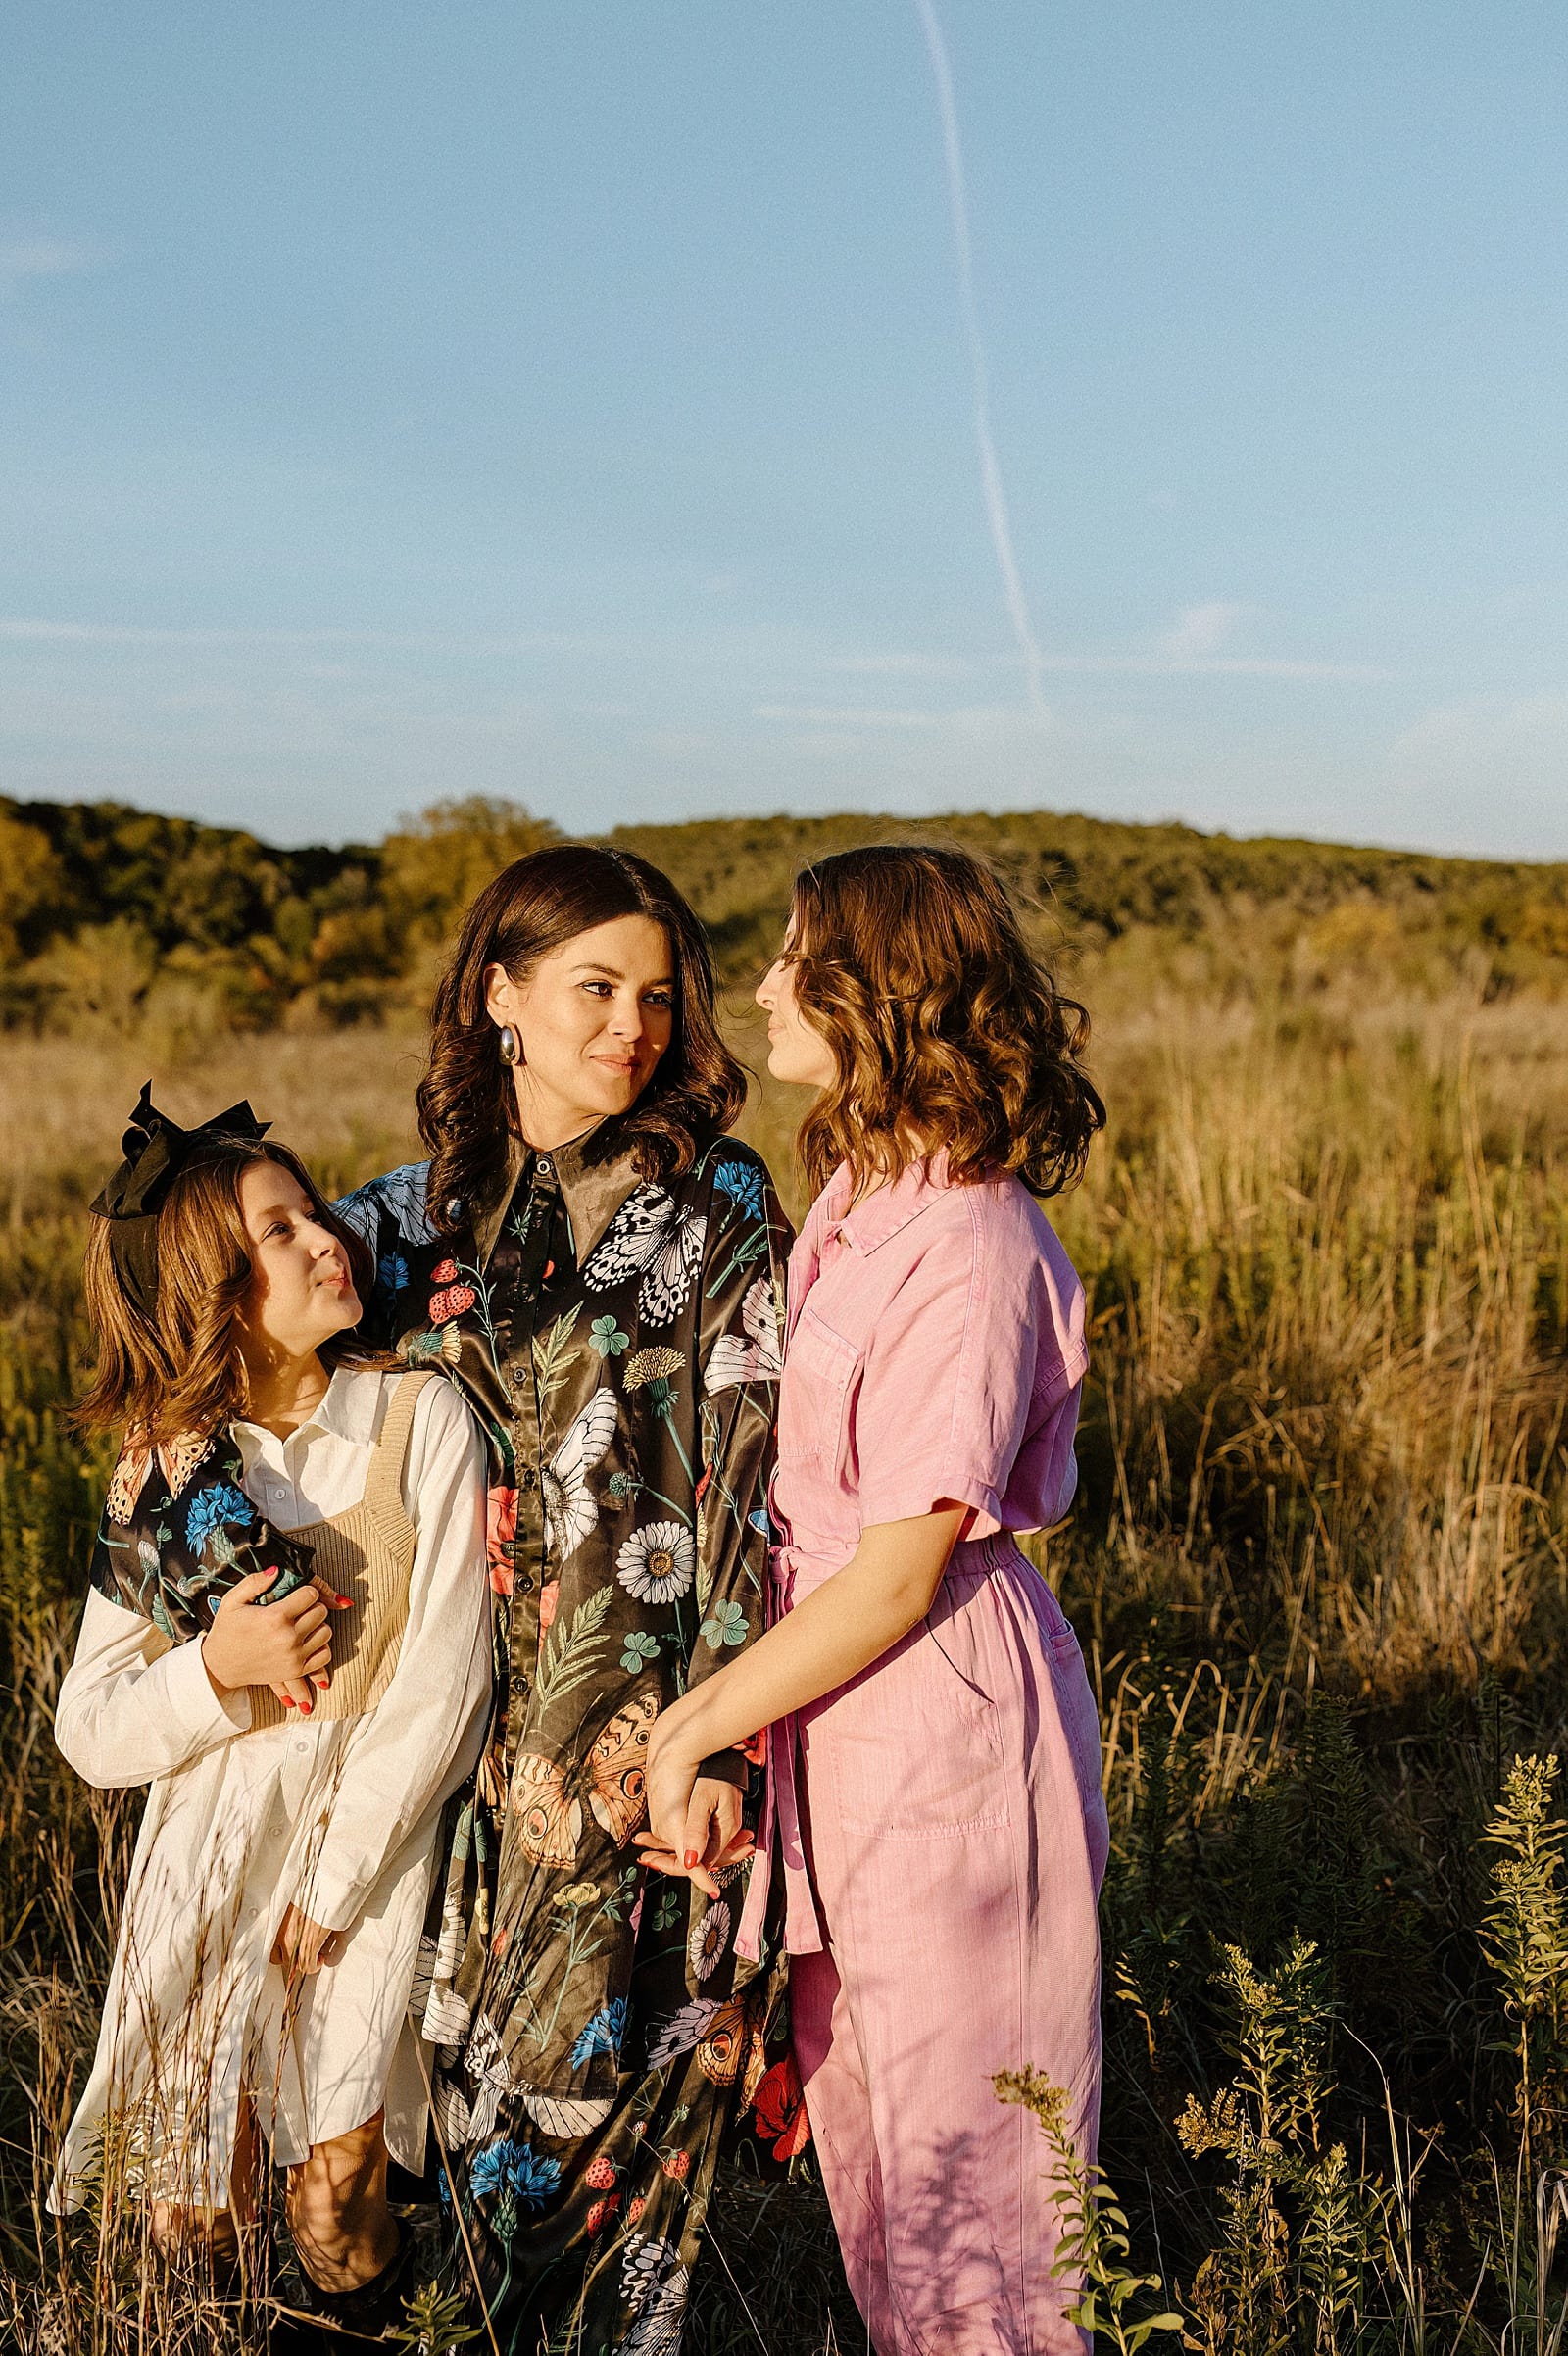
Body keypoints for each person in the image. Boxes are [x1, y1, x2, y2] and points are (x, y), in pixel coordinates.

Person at [640, 844, 1111, 2356]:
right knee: (881, 2159)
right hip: (842, 1714)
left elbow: (901, 1565)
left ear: (878, 989)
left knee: (980, 2199)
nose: (765, 984)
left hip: (937, 1708)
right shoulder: (859, 1190)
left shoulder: (967, 1242)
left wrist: (696, 1721)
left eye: (794, 956)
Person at [335, 843, 794, 2352]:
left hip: (641, 1738)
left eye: (657, 996)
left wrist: (720, 1739)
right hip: (444, 1757)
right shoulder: (406, 1224)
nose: (632, 1027)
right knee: (452, 2134)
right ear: (501, 998)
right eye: (594, 987)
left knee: (618, 2170)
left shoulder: (718, 1199)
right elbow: (217, 1293)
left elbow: (749, 1479)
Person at [51, 1093, 492, 2340]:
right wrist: (217, 1668)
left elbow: (445, 1680)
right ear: (207, 1292)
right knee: (194, 2206)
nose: (324, 1239)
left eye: (314, 1210)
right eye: (278, 1233)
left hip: (366, 1858)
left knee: (334, 2203)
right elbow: (90, 1723)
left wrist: (338, 1878)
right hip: (210, 1861)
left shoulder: (419, 1417)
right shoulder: (171, 1474)